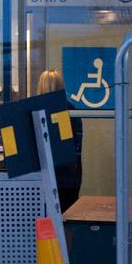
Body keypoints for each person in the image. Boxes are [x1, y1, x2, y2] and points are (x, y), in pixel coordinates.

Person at [37, 69, 84, 213]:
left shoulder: (35, 111)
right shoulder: (69, 110)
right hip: (68, 178)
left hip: (43, 176)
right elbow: (71, 145)